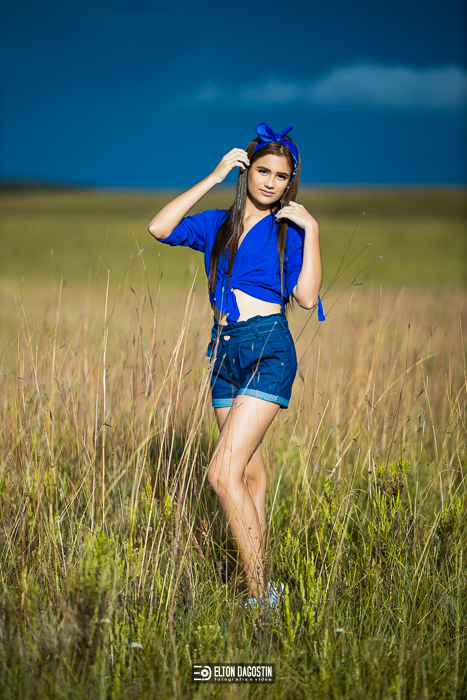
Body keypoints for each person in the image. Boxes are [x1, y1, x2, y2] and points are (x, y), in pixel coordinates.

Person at [148, 123, 324, 606]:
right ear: (246, 170)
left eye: (282, 176)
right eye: (263, 171)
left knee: (221, 473)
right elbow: (159, 228)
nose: (271, 182)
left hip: (268, 349)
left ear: (290, 183)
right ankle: (263, 591)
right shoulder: (216, 226)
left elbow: (307, 298)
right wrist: (214, 175)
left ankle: (260, 593)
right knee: (248, 475)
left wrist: (312, 230)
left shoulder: (289, 231)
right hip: (224, 354)